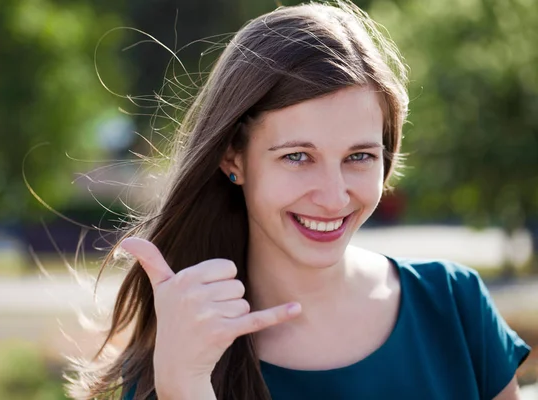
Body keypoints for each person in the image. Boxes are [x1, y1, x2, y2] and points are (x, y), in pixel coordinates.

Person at [67, 1, 531, 399]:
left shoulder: (454, 305)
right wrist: (184, 384)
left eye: (359, 156)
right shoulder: (177, 353)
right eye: (297, 157)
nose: (333, 196)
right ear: (234, 157)